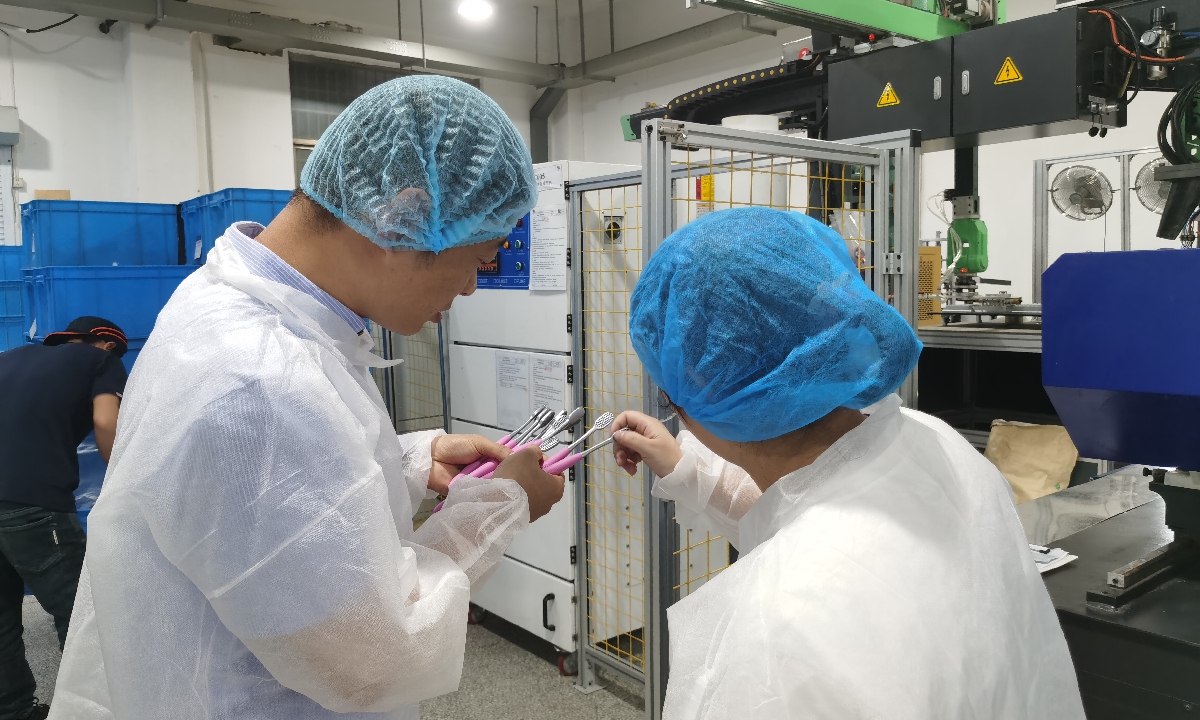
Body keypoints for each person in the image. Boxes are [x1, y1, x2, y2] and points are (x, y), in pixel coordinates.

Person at [48, 76, 565, 720]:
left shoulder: (237, 298)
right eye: (477, 260)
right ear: (400, 218)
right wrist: (500, 505)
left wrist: (408, 461)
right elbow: (373, 659)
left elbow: (257, 499)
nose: (468, 290)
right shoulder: (258, 380)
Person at [610, 207, 1085, 720]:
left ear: (687, 396)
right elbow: (807, 514)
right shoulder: (934, 443)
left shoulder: (777, 633)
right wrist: (687, 470)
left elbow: (815, 550)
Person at [0, 317, 128, 720]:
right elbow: (107, 421)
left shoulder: (10, 357)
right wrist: (127, 483)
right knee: (80, 617)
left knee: (2, 623)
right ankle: (95, 712)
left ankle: (14, 711)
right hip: (33, 501)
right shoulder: (100, 362)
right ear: (106, 343)